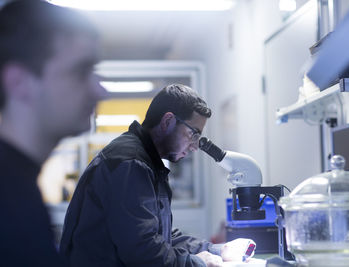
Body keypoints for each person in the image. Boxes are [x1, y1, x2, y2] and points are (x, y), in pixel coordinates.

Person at [60, 84, 254, 267]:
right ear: (168, 121)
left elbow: (161, 236)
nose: (195, 146)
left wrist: (216, 249)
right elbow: (143, 252)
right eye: (193, 134)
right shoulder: (130, 164)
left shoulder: (147, 163)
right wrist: (197, 262)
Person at [0, 1, 106, 266]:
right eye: (81, 71)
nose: (101, 91)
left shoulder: (20, 186)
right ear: (19, 82)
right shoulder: (8, 201)